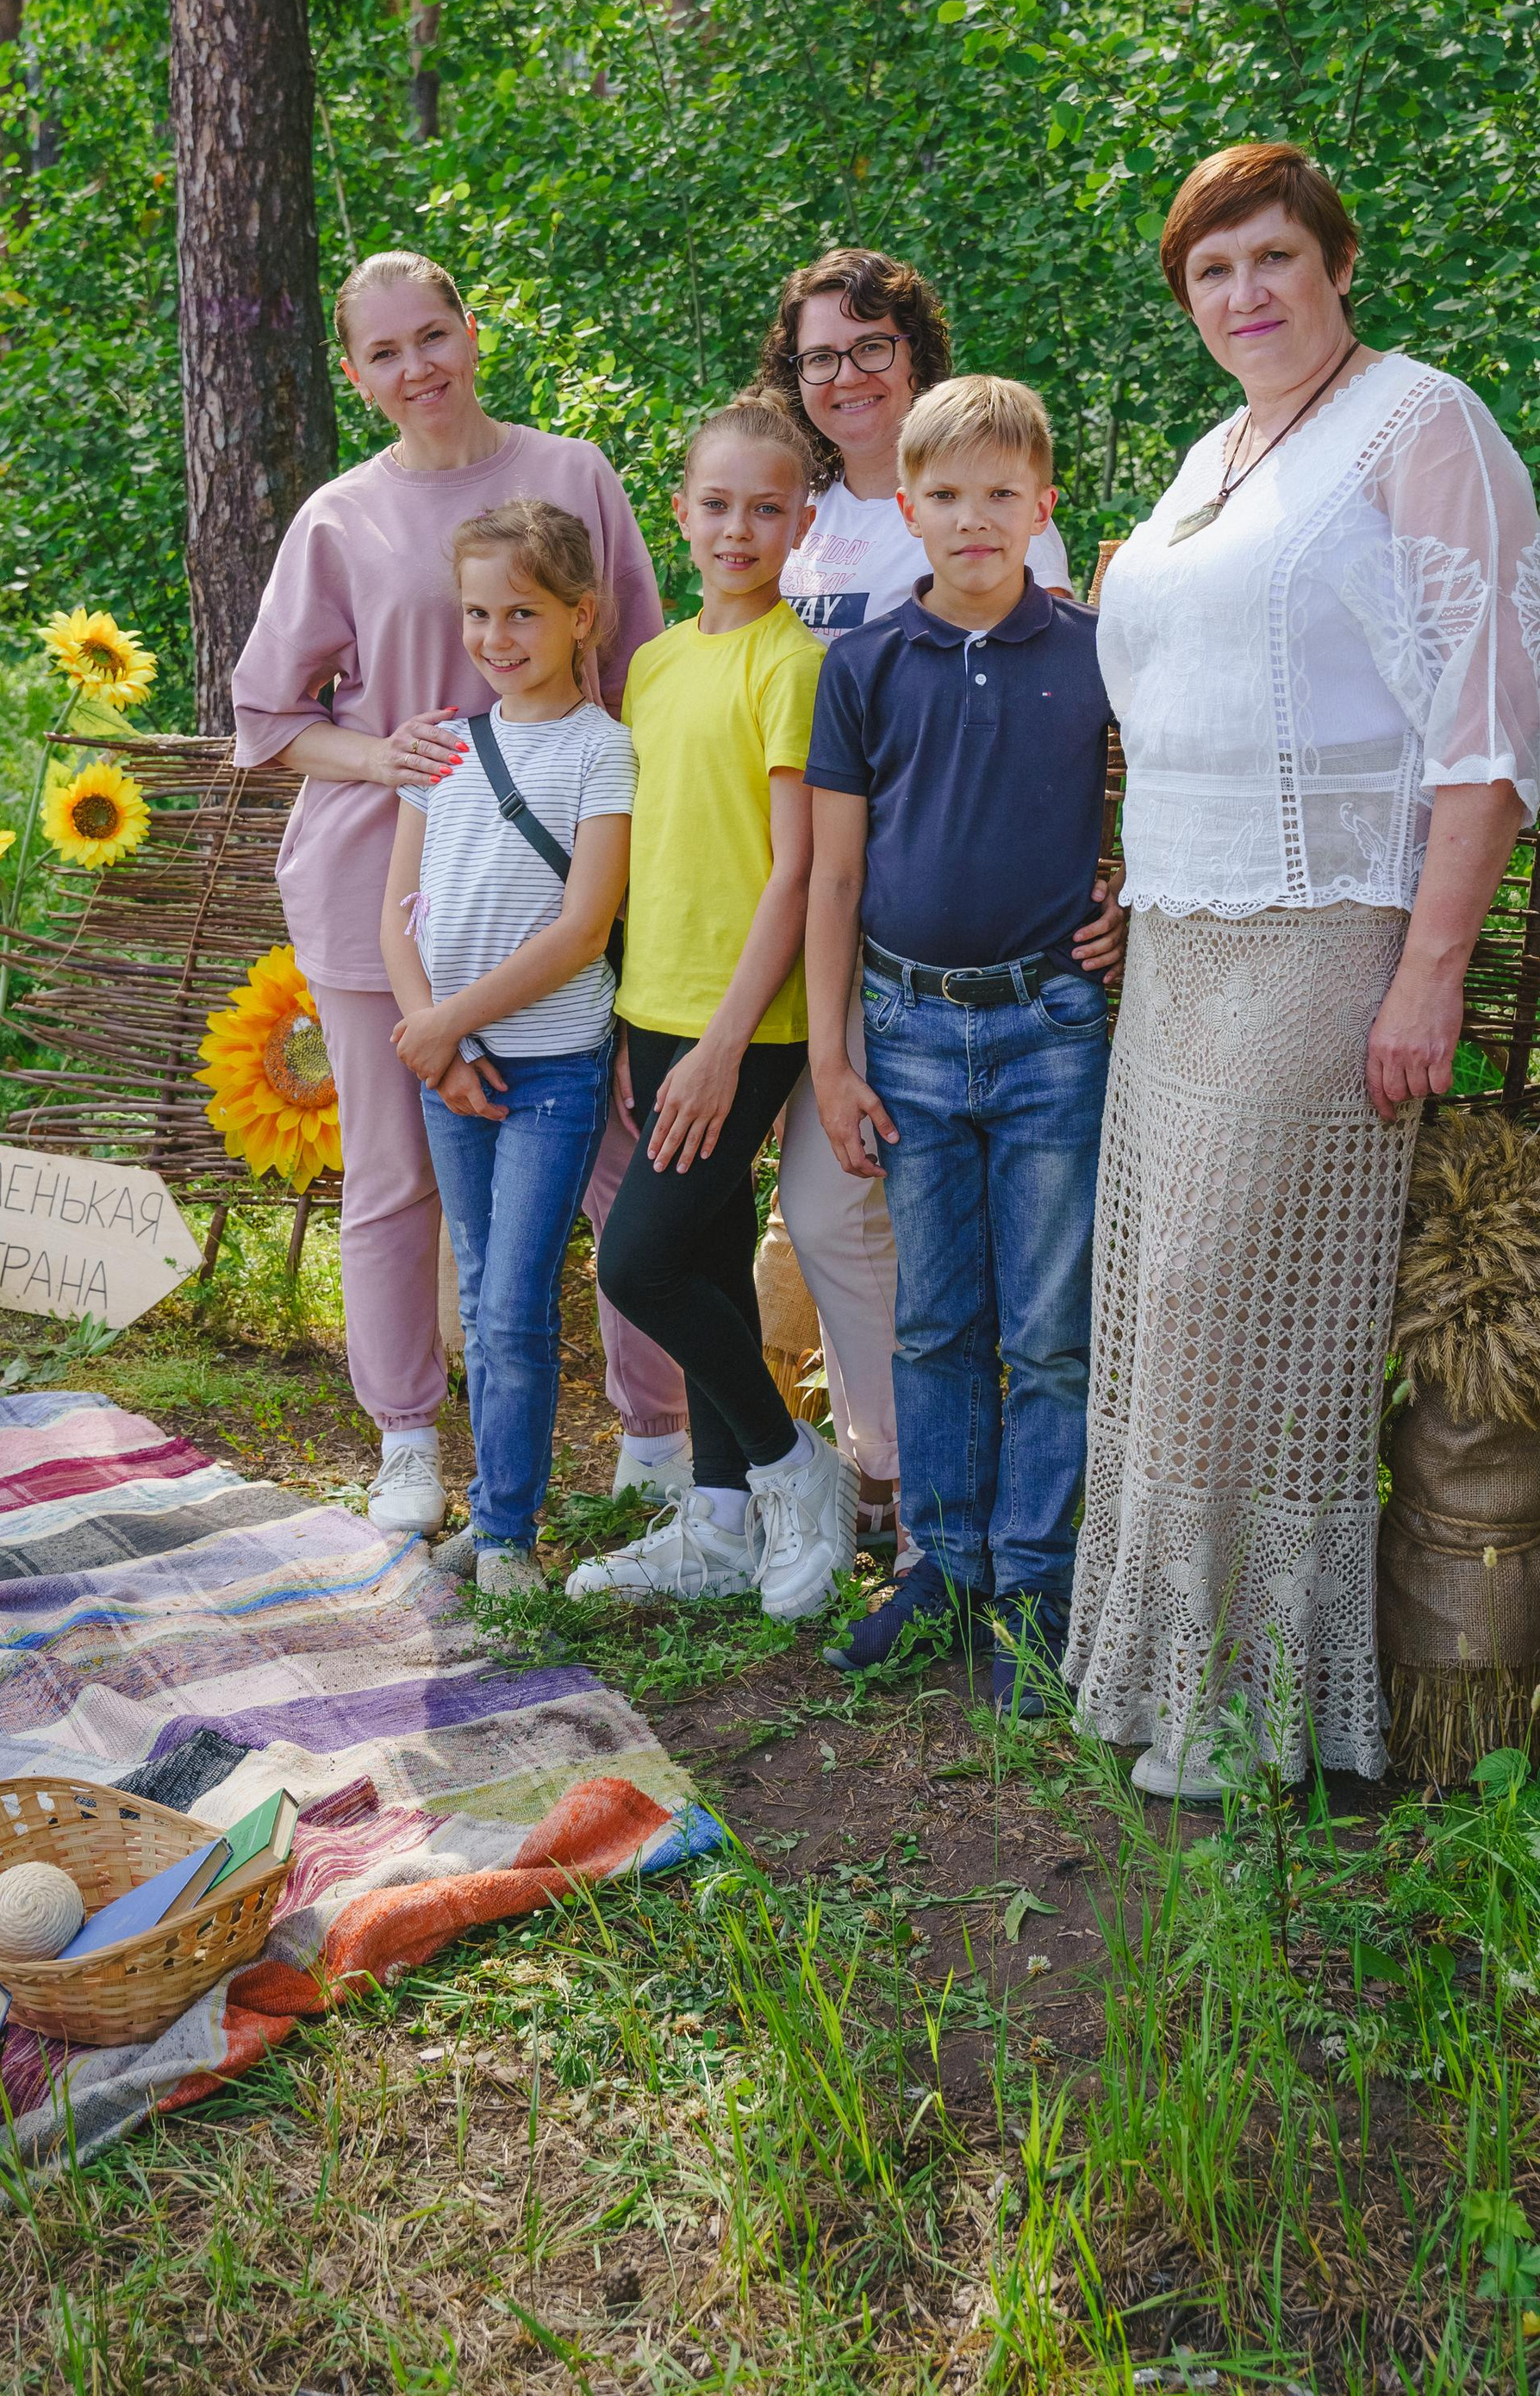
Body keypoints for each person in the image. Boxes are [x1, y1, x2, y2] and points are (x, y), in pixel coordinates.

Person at [1063, 145, 1540, 1798]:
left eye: (1273, 257)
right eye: (1211, 272)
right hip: (1186, 945)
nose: (1245, 293)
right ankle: (1164, 1679)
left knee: (1237, 1301)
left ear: (1339, 262)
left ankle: (1256, 1704)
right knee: (1157, 1304)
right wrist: (1147, 877)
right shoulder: (1215, 457)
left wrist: (1433, 968)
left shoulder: (1422, 425)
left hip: (1334, 928)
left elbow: (1491, 722)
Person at [231, 251, 673, 1538]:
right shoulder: (338, 518)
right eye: (385, 352)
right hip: (390, 896)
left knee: (615, 1161)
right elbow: (266, 716)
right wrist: (383, 752)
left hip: (568, 887)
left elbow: (641, 672)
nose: (417, 367)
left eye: (434, 335)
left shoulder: (572, 474)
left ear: (473, 332)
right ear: (358, 375)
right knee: (394, 1179)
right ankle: (409, 1440)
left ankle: (654, 1431)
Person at [805, 377, 1123, 1711]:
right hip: (910, 1026)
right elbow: (829, 878)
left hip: (1052, 1026)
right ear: (905, 507)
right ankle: (941, 1565)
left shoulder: (1099, 651)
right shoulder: (867, 664)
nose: (975, 518)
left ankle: (1035, 1586)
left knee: (1051, 1328)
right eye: (947, 495)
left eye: (1003, 494)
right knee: (936, 1318)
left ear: (1045, 507)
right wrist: (832, 1057)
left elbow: (1177, 791)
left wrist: (1132, 895)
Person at [755, 249, 1074, 1550]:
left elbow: (1057, 722)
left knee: (905, 1228)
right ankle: (852, 1471)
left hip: (955, 924)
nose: (844, 376)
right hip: (802, 893)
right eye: (819, 356)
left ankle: (917, 1495)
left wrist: (1094, 876)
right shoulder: (807, 514)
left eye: (870, 347)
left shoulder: (981, 503)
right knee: (820, 1205)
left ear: (915, 354)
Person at [566, 395, 857, 1619]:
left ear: (802, 522)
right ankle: (723, 1520)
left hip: (749, 1020)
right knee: (706, 1256)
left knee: (636, 1261)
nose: (739, 527)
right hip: (654, 999)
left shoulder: (796, 666)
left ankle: (800, 1473)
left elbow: (793, 869)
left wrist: (725, 1045)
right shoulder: (653, 663)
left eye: (767, 507)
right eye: (717, 503)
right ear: (680, 512)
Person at [378, 502, 633, 1598]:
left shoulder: (604, 752)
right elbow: (399, 911)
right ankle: (490, 1524)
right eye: (479, 612)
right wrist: (431, 1040)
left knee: (515, 1300)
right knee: (476, 1288)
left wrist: (446, 1025)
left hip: (549, 1071)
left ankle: (509, 1540)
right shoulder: (443, 746)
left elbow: (583, 932)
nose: (496, 638)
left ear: (582, 617)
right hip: (451, 1070)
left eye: (521, 613)